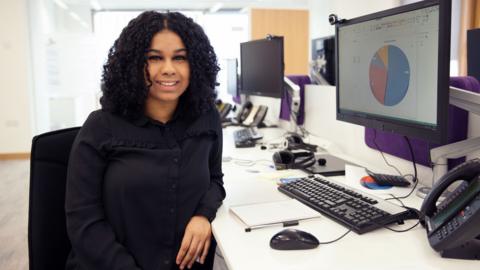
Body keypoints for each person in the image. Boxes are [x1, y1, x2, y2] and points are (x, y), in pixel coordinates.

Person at [65, 11, 225, 270]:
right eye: (154, 58)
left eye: (180, 58)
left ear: (194, 64)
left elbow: (215, 180)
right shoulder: (101, 127)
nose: (169, 69)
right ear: (133, 64)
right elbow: (84, 221)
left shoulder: (206, 120)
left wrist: (202, 216)